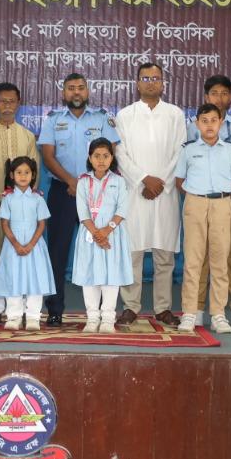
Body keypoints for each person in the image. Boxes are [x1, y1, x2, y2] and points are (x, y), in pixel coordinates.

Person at [38, 73, 120, 326]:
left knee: (101, 248)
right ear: (63, 93)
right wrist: (72, 181)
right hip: (63, 192)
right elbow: (48, 156)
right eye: (71, 88)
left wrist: (86, 183)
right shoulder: (53, 120)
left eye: (81, 88)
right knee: (57, 252)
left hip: (97, 193)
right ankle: (55, 309)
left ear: (88, 92)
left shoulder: (101, 119)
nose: (76, 92)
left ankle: (102, 312)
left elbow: (110, 153)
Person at [115, 62, 186, 326]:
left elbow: (180, 151)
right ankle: (130, 306)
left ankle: (163, 308)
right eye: (145, 78)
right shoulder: (125, 115)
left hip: (165, 194)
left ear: (163, 82)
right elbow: (120, 153)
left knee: (164, 255)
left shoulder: (175, 114)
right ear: (137, 83)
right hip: (135, 192)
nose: (151, 82)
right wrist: (144, 179)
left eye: (155, 78)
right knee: (132, 253)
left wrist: (159, 183)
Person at [185, 76, 231, 325]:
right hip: (200, 199)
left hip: (229, 199)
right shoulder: (193, 127)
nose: (219, 98)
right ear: (206, 97)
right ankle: (197, 308)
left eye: (224, 93)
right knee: (199, 255)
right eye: (214, 93)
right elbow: (185, 172)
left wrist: (228, 197)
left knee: (230, 253)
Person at [0, 82, 41, 323]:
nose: (7, 106)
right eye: (3, 101)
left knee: (20, 253)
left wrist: (18, 200)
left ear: (18, 104)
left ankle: (19, 307)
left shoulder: (27, 137)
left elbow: (34, 171)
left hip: (21, 209)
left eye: (12, 101)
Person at [175, 102, 231, 334]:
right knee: (193, 260)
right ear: (196, 123)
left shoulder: (230, 150)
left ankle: (218, 314)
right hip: (195, 203)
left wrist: (220, 199)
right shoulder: (188, 150)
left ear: (221, 122)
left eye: (213, 120)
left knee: (220, 260)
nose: (209, 125)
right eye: (204, 121)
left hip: (221, 203)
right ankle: (190, 313)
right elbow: (179, 180)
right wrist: (196, 197)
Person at [72, 137, 131, 332]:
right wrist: (96, 233)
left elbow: (122, 209)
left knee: (110, 276)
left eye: (106, 156)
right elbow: (82, 212)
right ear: (89, 158)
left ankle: (107, 319)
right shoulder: (83, 181)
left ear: (112, 158)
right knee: (90, 275)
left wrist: (106, 230)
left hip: (112, 234)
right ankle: (92, 318)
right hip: (90, 234)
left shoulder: (119, 181)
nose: (101, 160)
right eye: (96, 156)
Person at [0, 157, 53, 330]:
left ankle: (33, 316)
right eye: (19, 172)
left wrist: (30, 244)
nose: (23, 176)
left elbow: (42, 224)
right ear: (12, 175)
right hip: (13, 246)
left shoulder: (38, 198)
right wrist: (16, 244)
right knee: (13, 278)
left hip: (34, 245)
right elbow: (5, 223)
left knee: (35, 278)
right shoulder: (8, 198)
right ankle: (14, 316)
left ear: (33, 175)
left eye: (27, 172)